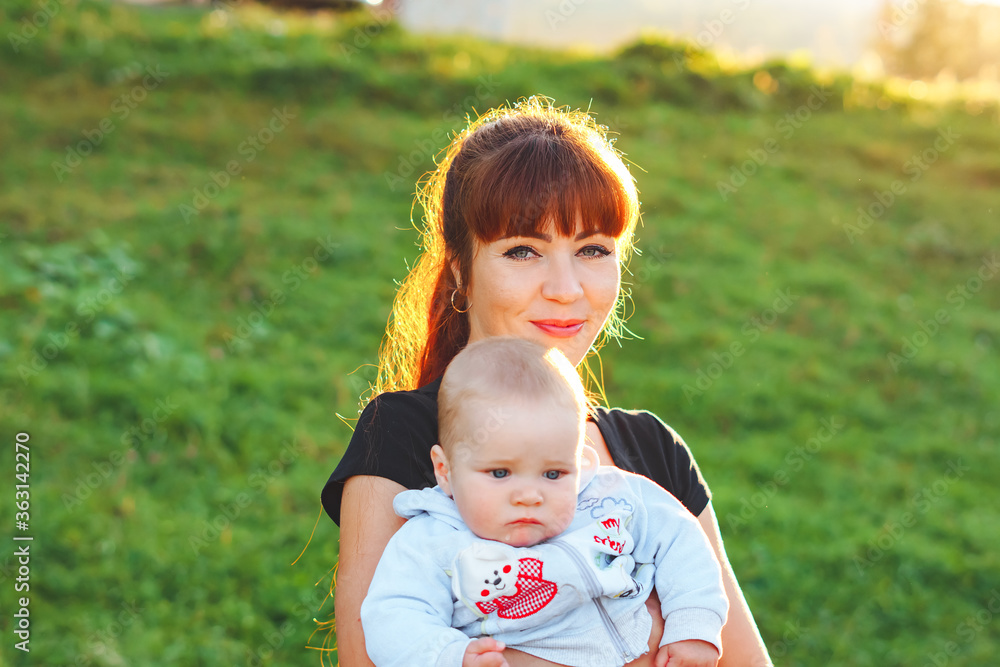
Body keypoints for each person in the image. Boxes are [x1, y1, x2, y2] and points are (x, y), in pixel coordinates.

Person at [322, 96, 773, 666]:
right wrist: (651, 634)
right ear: (461, 268)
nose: (565, 287)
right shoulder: (407, 432)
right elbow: (375, 655)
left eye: (591, 249)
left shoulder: (654, 451)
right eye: (523, 251)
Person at [361, 336, 728, 667]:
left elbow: (682, 540)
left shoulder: (613, 498)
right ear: (445, 470)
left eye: (553, 474)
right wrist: (451, 656)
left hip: (636, 641)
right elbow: (394, 615)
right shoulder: (432, 542)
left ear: (579, 462)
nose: (529, 496)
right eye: (500, 473)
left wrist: (692, 625)